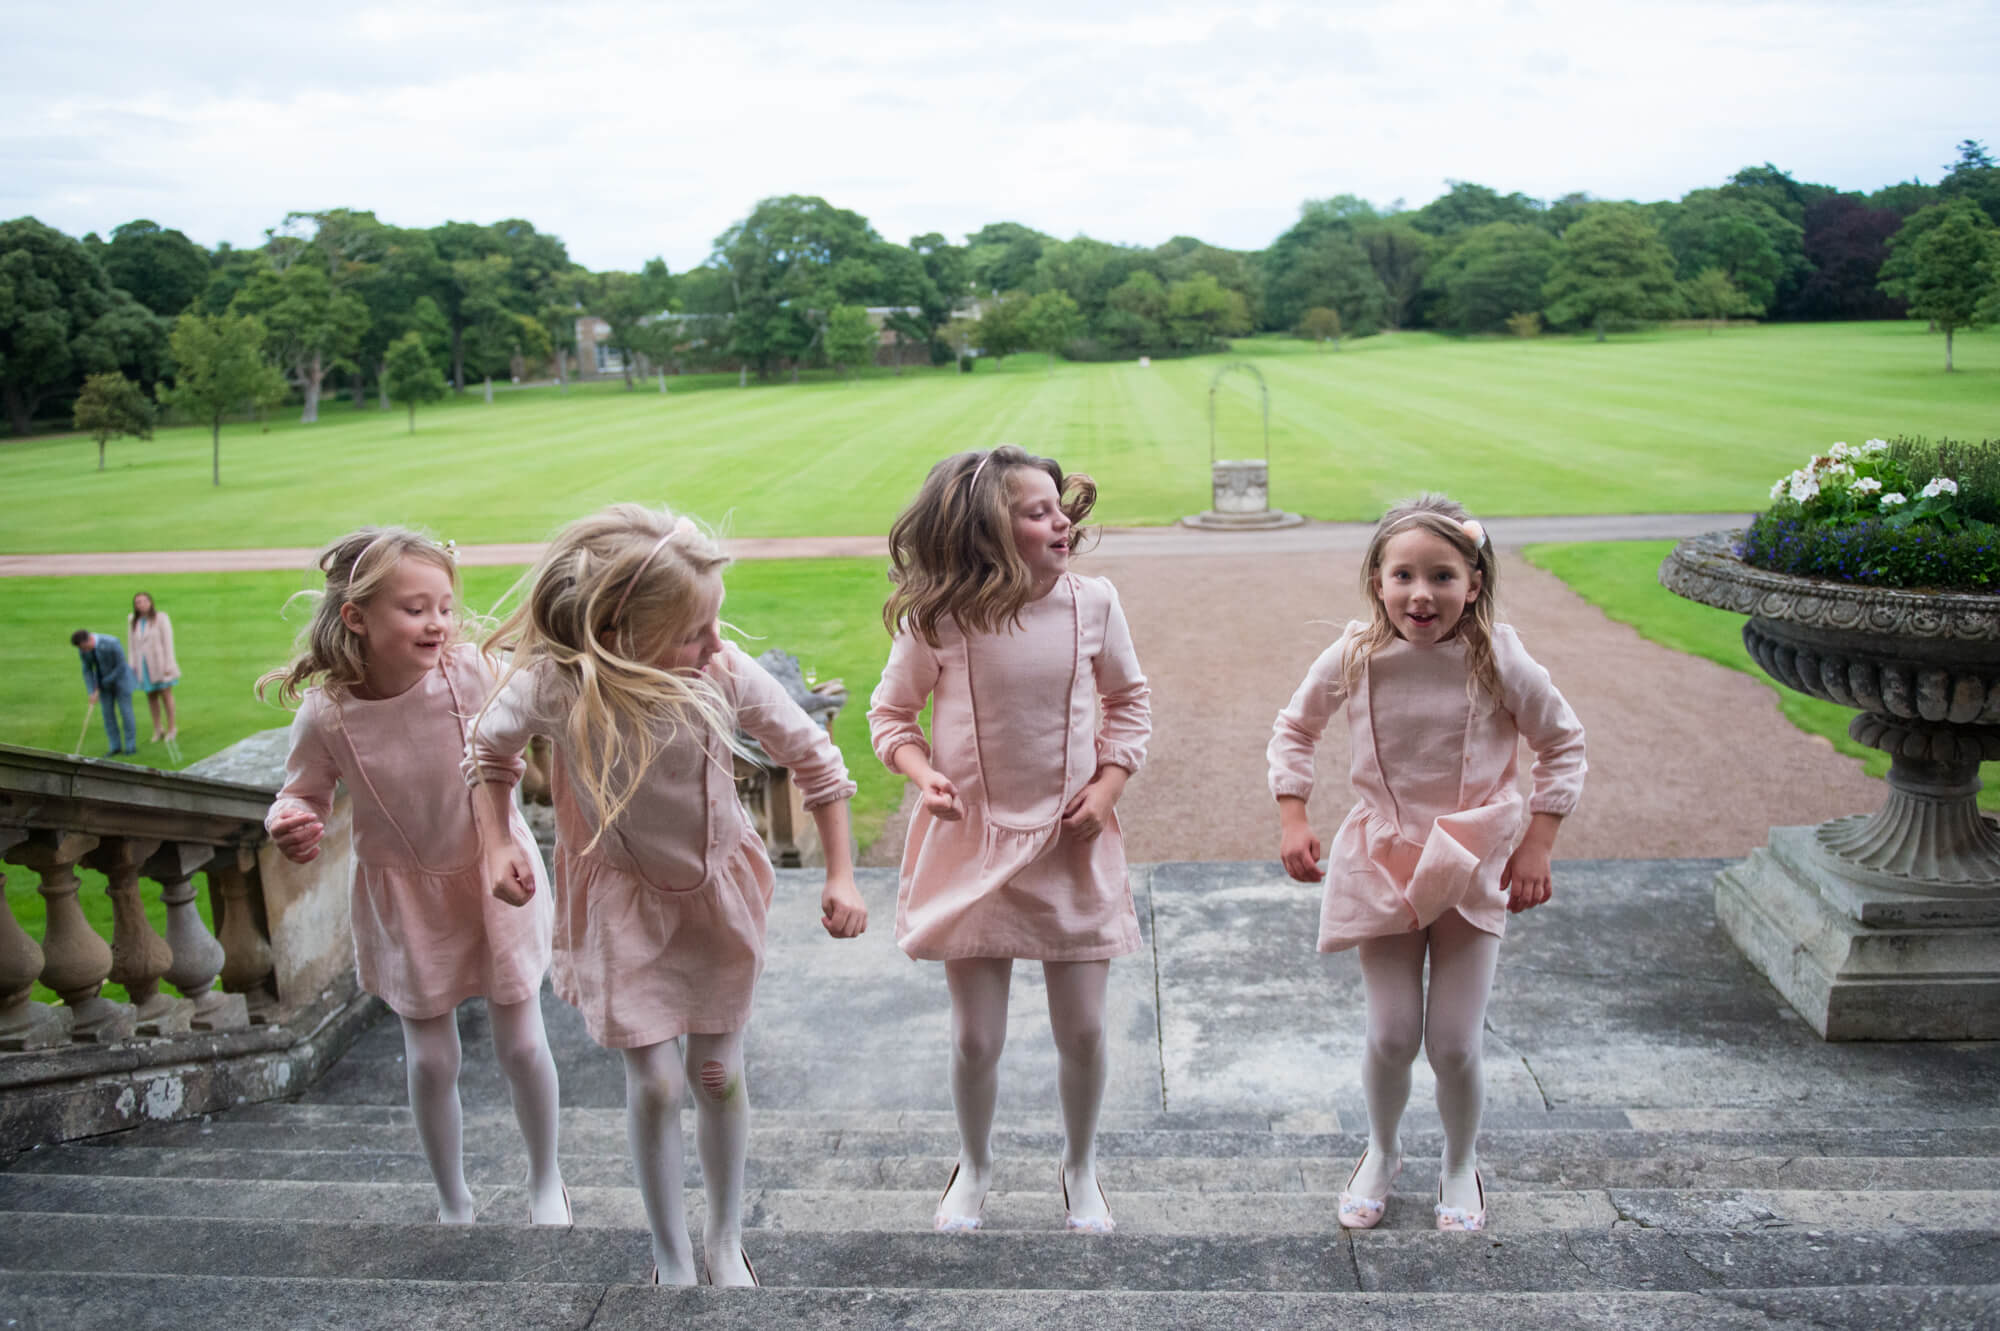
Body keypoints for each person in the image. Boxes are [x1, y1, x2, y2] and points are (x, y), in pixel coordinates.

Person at [467, 504, 867, 1287]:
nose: (718, 645)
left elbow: (817, 761)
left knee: (718, 1075)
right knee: (652, 1081)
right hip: (619, 900)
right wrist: (497, 840)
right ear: (618, 631)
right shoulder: (559, 684)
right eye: (695, 631)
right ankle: (669, 1254)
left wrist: (842, 873)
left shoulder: (722, 674)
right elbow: (487, 750)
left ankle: (724, 1238)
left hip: (714, 897)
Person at [1268, 494, 1585, 1233]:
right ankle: (1380, 1149)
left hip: (1473, 862)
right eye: (1403, 574)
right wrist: (1292, 813)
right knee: (1390, 1032)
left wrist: (1539, 839)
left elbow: (1564, 742)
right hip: (1383, 856)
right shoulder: (1355, 654)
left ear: (1474, 582)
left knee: (1451, 1039)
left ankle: (1459, 1159)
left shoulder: (1500, 657)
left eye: (1442, 576)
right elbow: (1294, 728)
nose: (1421, 594)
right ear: (1376, 580)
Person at [867, 445, 1151, 1236]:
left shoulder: (1094, 604)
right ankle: (975, 1162)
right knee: (976, 1036)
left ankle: (1081, 1163)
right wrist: (922, 774)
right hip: (973, 850)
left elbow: (1129, 701)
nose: (1061, 520)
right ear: (988, 531)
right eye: (1037, 511)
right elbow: (890, 717)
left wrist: (1109, 785)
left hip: (1072, 843)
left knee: (1086, 1029)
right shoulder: (941, 619)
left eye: (1059, 505)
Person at [258, 527, 567, 1228]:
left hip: (495, 876)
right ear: (356, 617)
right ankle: (453, 1198)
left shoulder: (469, 673)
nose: (438, 623)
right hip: (404, 895)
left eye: (446, 606)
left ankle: (546, 1180)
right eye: (415, 609)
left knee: (522, 1042)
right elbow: (301, 791)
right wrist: (289, 818)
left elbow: (551, 707)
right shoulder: (328, 713)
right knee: (430, 1059)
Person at [71, 628, 137, 756]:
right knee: (108, 715)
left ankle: (130, 746)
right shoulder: (82, 650)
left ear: (90, 638)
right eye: (82, 649)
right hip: (102, 686)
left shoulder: (112, 642)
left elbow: (121, 666)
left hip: (121, 681)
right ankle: (115, 746)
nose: (84, 651)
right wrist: (91, 691)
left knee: (126, 713)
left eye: (85, 647)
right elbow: (87, 670)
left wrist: (104, 682)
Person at [129, 591, 182, 744]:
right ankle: (158, 728)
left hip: (160, 663)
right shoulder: (133, 621)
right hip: (143, 665)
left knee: (166, 696)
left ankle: (172, 727)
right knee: (151, 697)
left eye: (144, 601)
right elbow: (132, 645)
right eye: (138, 602)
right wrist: (132, 666)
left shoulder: (161, 618)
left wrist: (169, 664)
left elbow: (168, 643)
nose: (142, 604)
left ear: (150, 602)